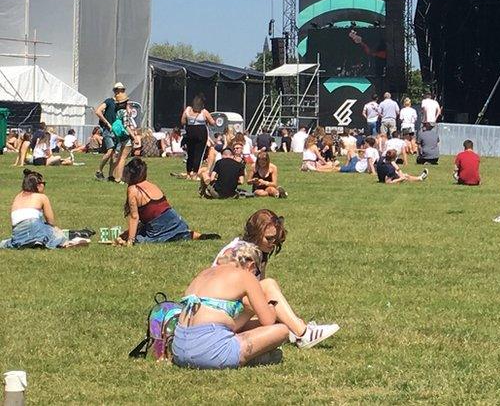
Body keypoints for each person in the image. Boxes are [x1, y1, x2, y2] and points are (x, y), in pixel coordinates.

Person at [212, 211, 340, 352]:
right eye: (269, 238)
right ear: (255, 234)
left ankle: (297, 329)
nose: (273, 244)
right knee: (268, 285)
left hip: (234, 317)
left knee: (283, 323)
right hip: (218, 320)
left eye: (276, 239)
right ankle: (303, 333)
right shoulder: (236, 253)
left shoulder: (259, 253)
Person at [171, 243, 293, 370]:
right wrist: (271, 307)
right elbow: (268, 320)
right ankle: (250, 357)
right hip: (209, 353)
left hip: (179, 350)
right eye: (256, 272)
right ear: (251, 266)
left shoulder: (205, 273)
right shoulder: (245, 276)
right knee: (282, 330)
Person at [118, 158, 219, 245]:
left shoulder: (133, 189)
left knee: (141, 239)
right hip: (174, 218)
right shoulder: (152, 185)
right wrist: (128, 232)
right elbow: (151, 213)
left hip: (158, 225)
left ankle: (183, 235)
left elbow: (134, 217)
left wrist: (130, 240)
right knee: (177, 234)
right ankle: (196, 235)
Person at [2, 169, 91, 249]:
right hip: (34, 227)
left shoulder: (17, 197)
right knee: (54, 232)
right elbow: (50, 221)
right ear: (38, 185)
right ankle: (67, 243)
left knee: (8, 242)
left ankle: (31, 242)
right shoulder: (41, 197)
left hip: (18, 232)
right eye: (44, 184)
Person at [180, 95, 216, 179]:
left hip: (190, 132)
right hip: (201, 133)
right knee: (198, 154)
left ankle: (188, 173)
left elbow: (182, 121)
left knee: (190, 153)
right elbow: (212, 122)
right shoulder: (204, 112)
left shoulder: (188, 110)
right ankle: (195, 174)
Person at [94, 82, 124, 181]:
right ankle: (99, 170)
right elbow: (98, 111)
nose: (121, 92)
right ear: (115, 91)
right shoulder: (109, 101)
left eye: (122, 90)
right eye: (119, 90)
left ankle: (111, 175)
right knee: (110, 150)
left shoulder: (122, 104)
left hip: (118, 131)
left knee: (115, 154)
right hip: (108, 130)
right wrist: (107, 123)